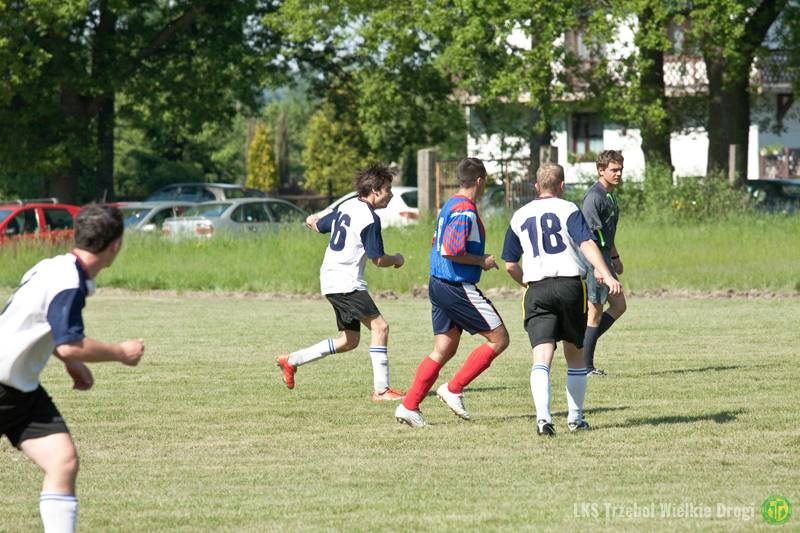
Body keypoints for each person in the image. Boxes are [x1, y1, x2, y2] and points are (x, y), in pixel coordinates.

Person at [0, 205, 145, 533]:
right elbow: (69, 342)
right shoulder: (68, 280)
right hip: (4, 384)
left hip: (21, 390)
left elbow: (36, 323)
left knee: (62, 461)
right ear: (116, 245)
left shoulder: (51, 266)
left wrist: (71, 363)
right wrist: (121, 353)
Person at [502, 164, 621, 436]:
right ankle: (575, 419)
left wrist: (529, 284)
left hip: (537, 289)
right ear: (562, 186)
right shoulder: (568, 209)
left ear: (536, 186)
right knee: (574, 356)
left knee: (541, 357)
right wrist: (606, 274)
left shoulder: (519, 215)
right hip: (570, 287)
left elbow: (509, 264)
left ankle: (543, 420)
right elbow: (587, 244)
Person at [395, 157, 509, 428]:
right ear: (479, 181)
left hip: (439, 283)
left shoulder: (449, 205)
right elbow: (451, 249)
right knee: (499, 339)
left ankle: (409, 406)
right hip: (455, 286)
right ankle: (454, 388)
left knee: (444, 348)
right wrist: (481, 261)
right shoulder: (464, 210)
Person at [276, 164, 406, 401]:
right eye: (388, 189)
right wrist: (397, 259)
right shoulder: (370, 218)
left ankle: (292, 360)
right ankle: (381, 390)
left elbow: (318, 225)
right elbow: (378, 259)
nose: (391, 194)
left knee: (349, 341)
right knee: (380, 328)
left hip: (331, 280)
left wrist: (312, 220)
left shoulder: (347, 206)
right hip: (347, 282)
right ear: (375, 190)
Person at [581, 150, 627, 376]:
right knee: (595, 313)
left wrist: (615, 258)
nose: (618, 174)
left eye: (620, 170)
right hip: (595, 263)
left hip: (606, 260)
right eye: (614, 170)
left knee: (619, 306)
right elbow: (589, 238)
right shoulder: (594, 197)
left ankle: (582, 346)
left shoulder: (609, 196)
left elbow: (607, 234)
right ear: (601, 170)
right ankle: (585, 365)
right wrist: (599, 268)